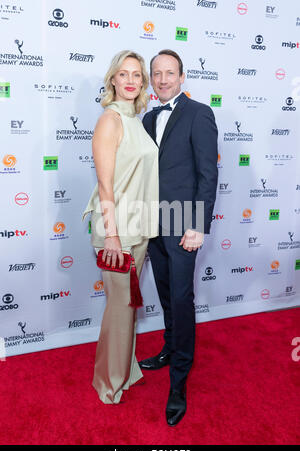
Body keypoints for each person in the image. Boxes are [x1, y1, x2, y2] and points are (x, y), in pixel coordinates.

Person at [139, 49, 218, 426]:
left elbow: (207, 174)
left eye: (170, 73)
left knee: (183, 298)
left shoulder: (199, 113)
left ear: (183, 76)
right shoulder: (149, 117)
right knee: (167, 293)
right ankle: (170, 348)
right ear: (151, 79)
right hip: (154, 224)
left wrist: (198, 225)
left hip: (184, 223)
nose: (163, 79)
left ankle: (179, 380)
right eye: (157, 73)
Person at [82, 50, 159, 404]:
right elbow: (106, 185)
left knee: (127, 305)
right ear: (112, 79)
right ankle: (108, 383)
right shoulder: (110, 120)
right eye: (123, 74)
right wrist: (111, 234)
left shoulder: (136, 118)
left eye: (137, 75)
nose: (130, 80)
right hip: (117, 232)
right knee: (119, 307)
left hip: (137, 228)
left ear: (143, 83)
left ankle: (126, 370)